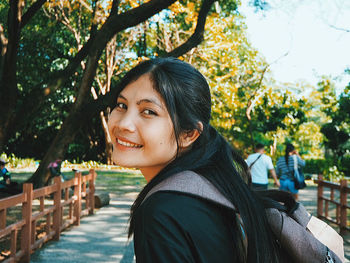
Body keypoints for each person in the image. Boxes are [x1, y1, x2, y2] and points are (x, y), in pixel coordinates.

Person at [107, 57, 294, 262]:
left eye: (149, 112)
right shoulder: (212, 189)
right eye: (121, 105)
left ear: (188, 134)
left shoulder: (162, 213)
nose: (124, 124)